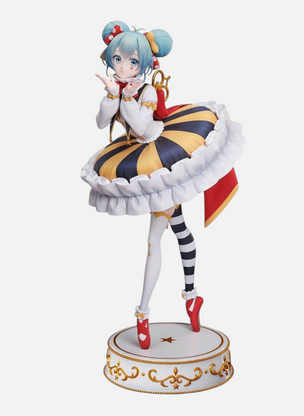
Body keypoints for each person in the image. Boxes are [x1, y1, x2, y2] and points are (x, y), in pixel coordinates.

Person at [81, 21, 245, 349]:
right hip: (141, 158)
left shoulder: (146, 91)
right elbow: (101, 122)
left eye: (131, 61)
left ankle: (143, 312)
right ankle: (192, 297)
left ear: (143, 64)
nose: (123, 67)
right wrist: (112, 96)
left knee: (155, 238)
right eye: (117, 59)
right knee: (180, 229)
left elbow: (142, 126)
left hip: (163, 154)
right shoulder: (119, 88)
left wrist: (126, 98)